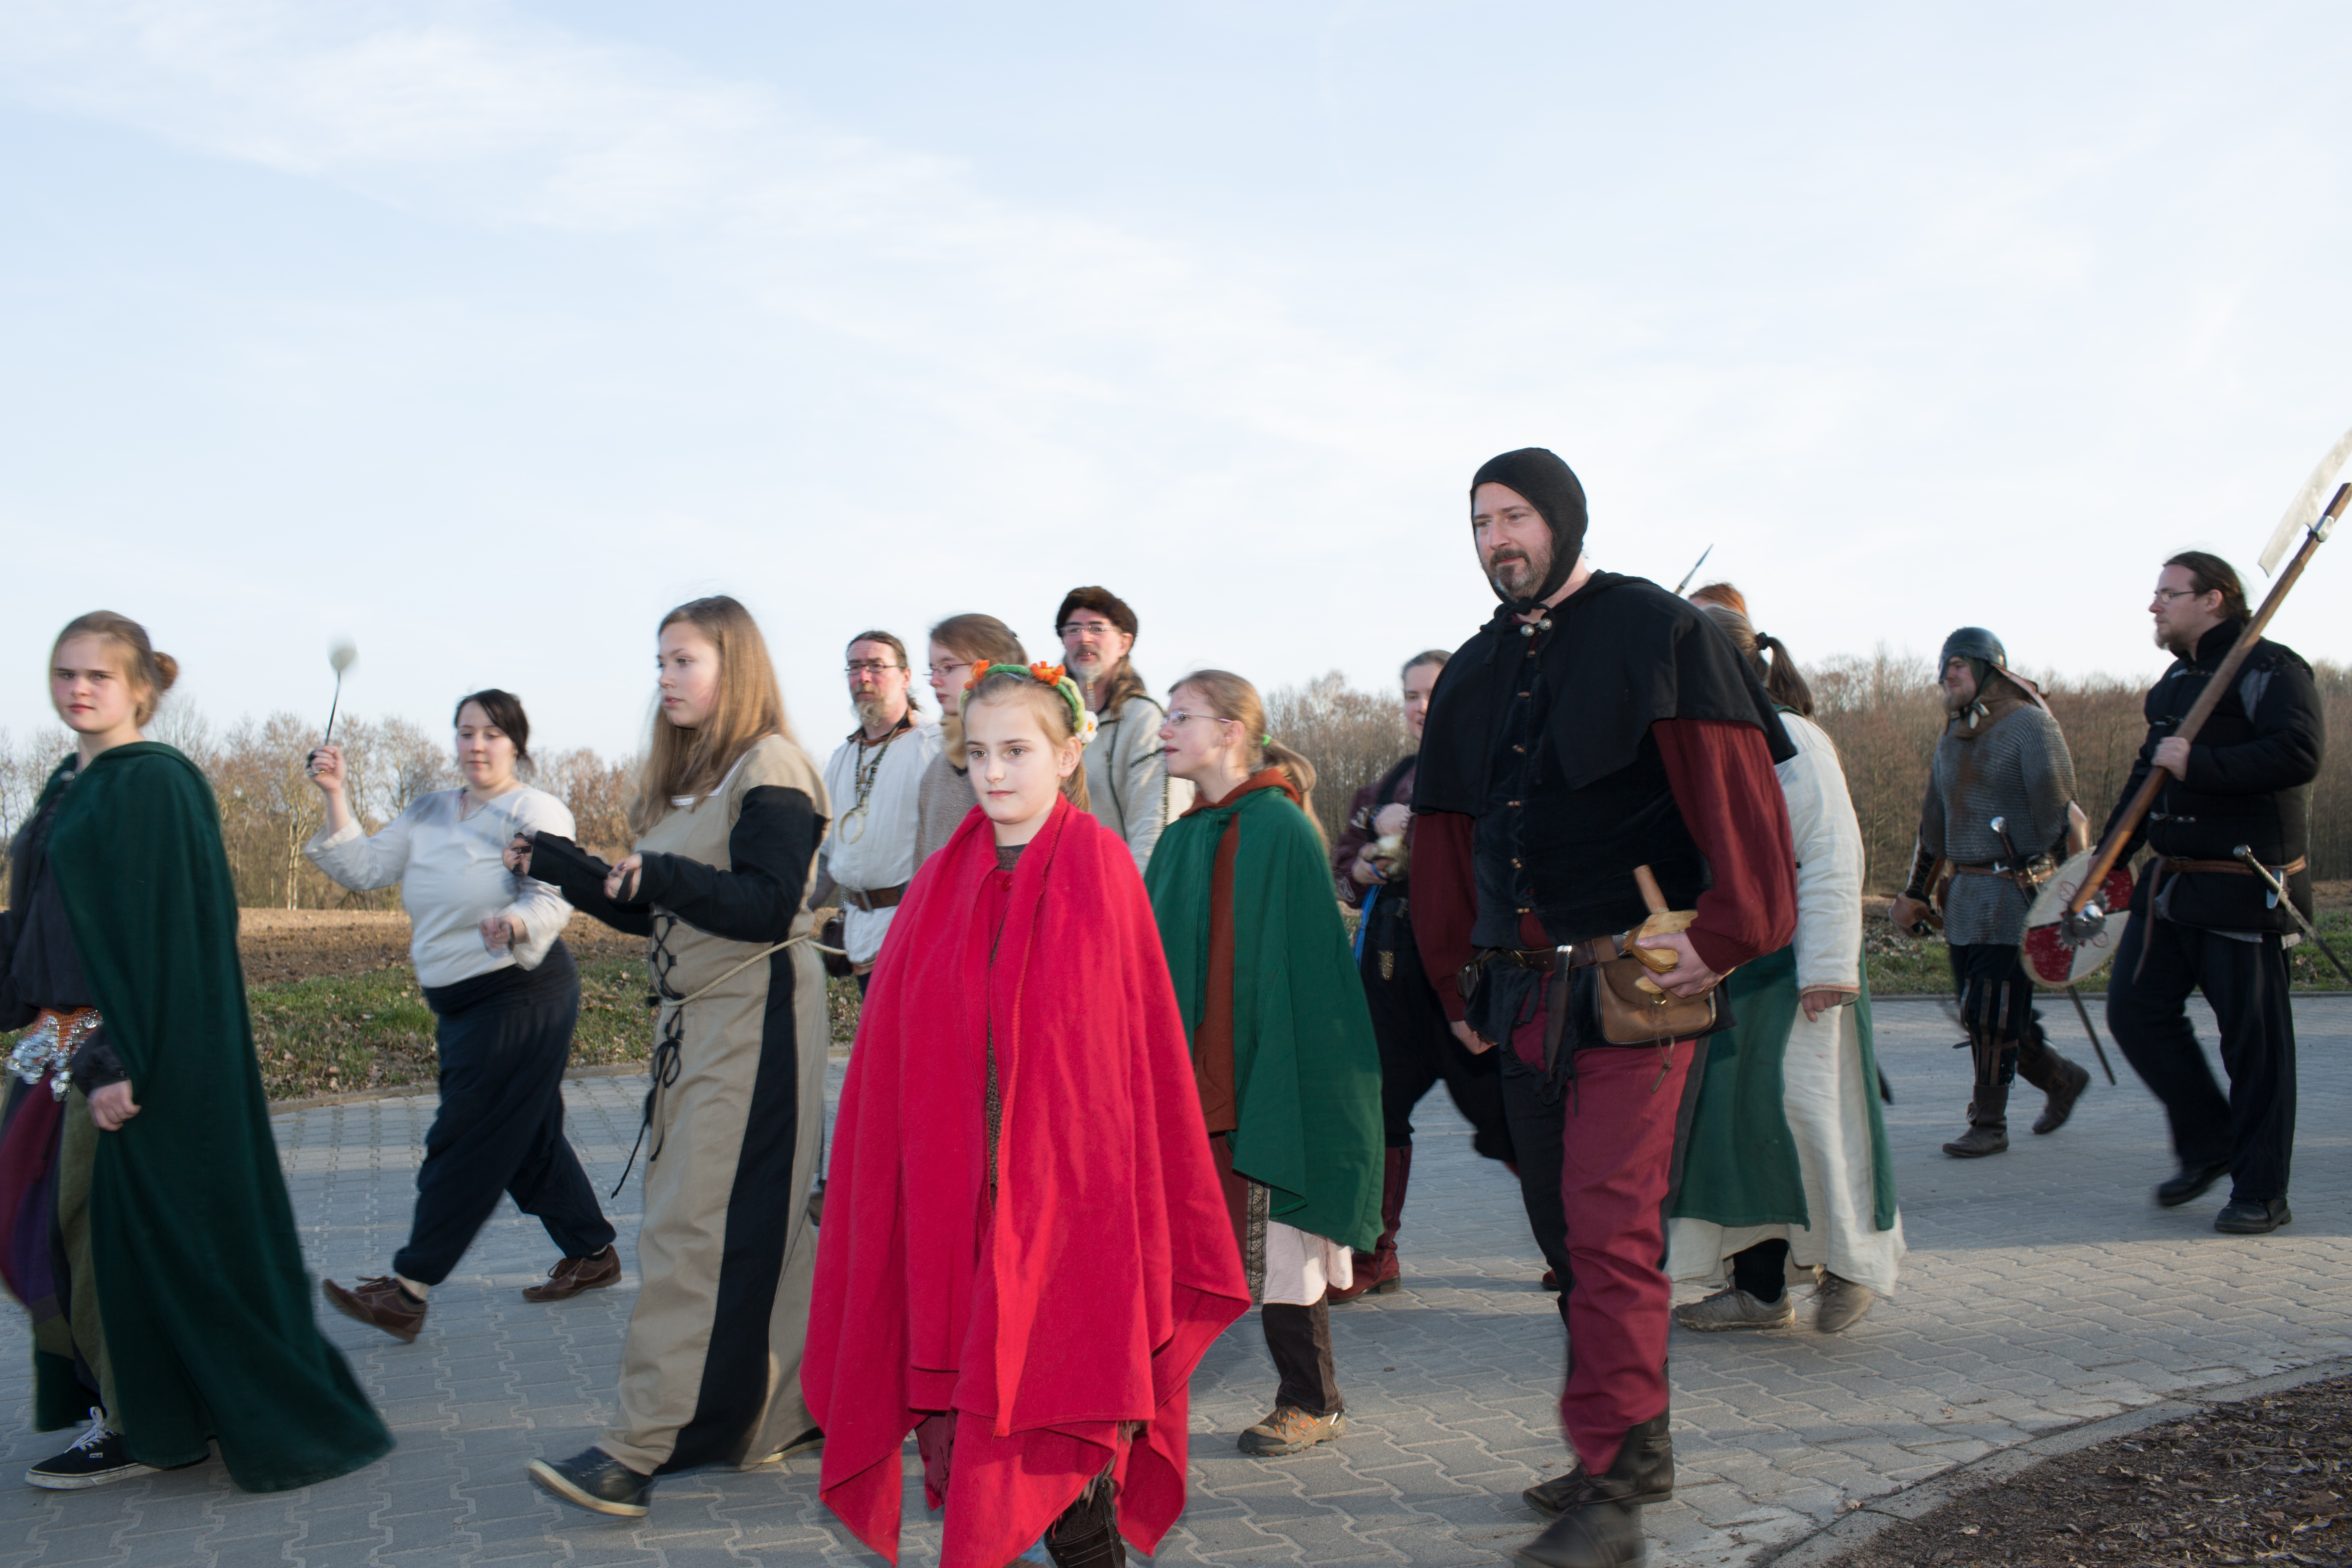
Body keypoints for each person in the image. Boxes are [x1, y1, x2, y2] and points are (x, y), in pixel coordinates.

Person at [1410, 449, 1797, 1568]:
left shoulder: (1657, 633)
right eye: (1480, 522)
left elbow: (1741, 801)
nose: (1497, 540)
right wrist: (1453, 978)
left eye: (1515, 516)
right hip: (1521, 993)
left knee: (1609, 1228)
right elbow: (1444, 840)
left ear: (1563, 521)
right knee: (1563, 1235)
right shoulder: (1473, 672)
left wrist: (1723, 937)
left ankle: (1615, 1492)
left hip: (1636, 990)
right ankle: (1637, 1442)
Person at [806, 661, 1246, 1568]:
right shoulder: (936, 884)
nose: (994, 772)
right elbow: (895, 1064)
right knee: (997, 1438)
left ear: (1068, 753)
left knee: (1065, 1444)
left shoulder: (1104, 874)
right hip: (960, 1223)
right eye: (977, 753)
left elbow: (1133, 1069)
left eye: (1016, 751)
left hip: (1070, 1222)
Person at [0, 612, 391, 1491]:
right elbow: (46, 921)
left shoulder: (155, 784)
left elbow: (167, 938)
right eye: (64, 674)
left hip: (122, 1054)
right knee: (39, 1232)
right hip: (54, 1050)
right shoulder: (70, 781)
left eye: (98, 675)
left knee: (96, 1244)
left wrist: (118, 1058)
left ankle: (139, 1422)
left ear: (142, 689)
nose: (78, 689)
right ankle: (157, 1404)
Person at [508, 595, 831, 1516]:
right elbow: (655, 908)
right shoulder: (699, 777)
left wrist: (668, 875)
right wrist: (564, 864)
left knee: (696, 1228)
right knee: (767, 1226)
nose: (666, 678)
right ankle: (787, 1413)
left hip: (757, 1016)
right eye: (661, 662)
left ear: (736, 665)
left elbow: (765, 903)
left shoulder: (772, 767)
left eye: (685, 660)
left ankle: (640, 1447)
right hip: (701, 1021)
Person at [304, 690, 618, 1339]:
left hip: (522, 995)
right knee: (526, 1138)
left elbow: (554, 894)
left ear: (517, 745)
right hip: (460, 1005)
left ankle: (409, 1291)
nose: (477, 745)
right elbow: (364, 868)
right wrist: (336, 793)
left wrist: (515, 922)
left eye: (492, 734)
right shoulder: (430, 810)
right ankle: (593, 1253)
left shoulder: (534, 810)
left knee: (466, 1138)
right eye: (466, 732)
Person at [1146, 670, 1383, 1460]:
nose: (1165, 729)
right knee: (1182, 1235)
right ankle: (1138, 1396)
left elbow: (1307, 970)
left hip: (1268, 1069)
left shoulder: (1280, 827)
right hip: (1194, 1076)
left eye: (1182, 716)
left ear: (1231, 732)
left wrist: (1276, 1069)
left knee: (1282, 1235)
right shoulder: (1182, 837)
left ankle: (1312, 1400)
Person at [1666, 597, 1904, 1335]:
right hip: (1731, 964)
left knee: (1809, 1119)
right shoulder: (1699, 741)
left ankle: (1850, 1267)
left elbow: (1831, 848)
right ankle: (1762, 1290)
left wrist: (1827, 967)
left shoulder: (1793, 736)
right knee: (1737, 1131)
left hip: (1797, 969)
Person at [2100, 551, 2323, 1235]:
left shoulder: (2270, 669)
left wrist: (2201, 763)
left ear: (2214, 599)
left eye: (2169, 593)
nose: (2155, 605)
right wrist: (2107, 860)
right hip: (2171, 887)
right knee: (2135, 1013)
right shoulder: (2175, 684)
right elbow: (2147, 778)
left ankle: (2262, 1190)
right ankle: (2210, 1142)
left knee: (2254, 1047)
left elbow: (2298, 753)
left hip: (2245, 886)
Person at [1326, 649, 1513, 1304]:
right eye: (1411, 695)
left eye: (1434, 693)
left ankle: (1573, 1248)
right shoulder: (1383, 787)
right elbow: (1343, 873)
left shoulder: (1501, 775)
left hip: (1468, 974)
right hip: (1390, 975)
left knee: (1509, 1117)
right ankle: (1374, 1254)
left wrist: (1426, 828)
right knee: (1375, 1112)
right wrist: (1366, 863)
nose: (1421, 707)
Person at [1887, 628, 2093, 1158]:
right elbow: (1936, 829)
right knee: (1984, 1012)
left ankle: (1989, 1124)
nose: (1949, 673)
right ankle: (2061, 1079)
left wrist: (2069, 894)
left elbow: (2063, 817)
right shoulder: (1952, 738)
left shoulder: (2030, 726)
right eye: (1946, 665)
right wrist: (1915, 893)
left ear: (1989, 671)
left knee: (1991, 1013)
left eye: (1961, 663)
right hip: (1965, 896)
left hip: (2017, 892)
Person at [808, 630, 942, 990]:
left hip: (919, 935)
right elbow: (826, 855)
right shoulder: (841, 758)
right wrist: (790, 912)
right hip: (859, 933)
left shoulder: (935, 747)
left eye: (876, 666)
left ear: (906, 676)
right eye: (854, 667)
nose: (863, 677)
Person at [1056, 587, 1192, 871]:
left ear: (1124, 643)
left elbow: (1155, 827)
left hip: (1118, 888)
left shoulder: (1144, 720)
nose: (1084, 638)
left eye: (1097, 628)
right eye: (1073, 629)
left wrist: (1136, 896)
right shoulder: (1050, 722)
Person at [912, 614, 1028, 866]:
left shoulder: (1030, 760)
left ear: (990, 668)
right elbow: (923, 865)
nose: (934, 681)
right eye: (932, 669)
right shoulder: (937, 769)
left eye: (948, 667)